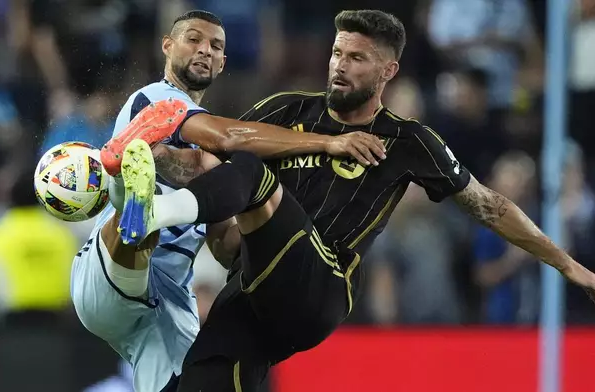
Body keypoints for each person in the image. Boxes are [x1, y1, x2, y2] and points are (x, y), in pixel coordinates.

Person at [104, 10, 595, 392]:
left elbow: (490, 206)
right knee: (198, 383)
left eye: (356, 58)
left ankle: (154, 214)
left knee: (252, 174)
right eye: (335, 53)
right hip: (254, 292)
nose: (339, 66)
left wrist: (569, 265)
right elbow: (209, 155)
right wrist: (146, 148)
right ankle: (150, 201)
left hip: (319, 286)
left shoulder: (407, 140)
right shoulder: (287, 110)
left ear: (388, 72)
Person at [71, 10, 385, 392]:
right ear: (167, 46)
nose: (204, 49)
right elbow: (229, 137)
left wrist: (285, 243)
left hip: (164, 305)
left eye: (215, 46)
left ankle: (141, 204)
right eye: (193, 39)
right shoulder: (156, 98)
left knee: (197, 383)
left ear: (222, 63)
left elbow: (223, 245)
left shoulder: (211, 171)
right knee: (151, 213)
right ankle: (133, 202)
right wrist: (330, 141)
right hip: (112, 275)